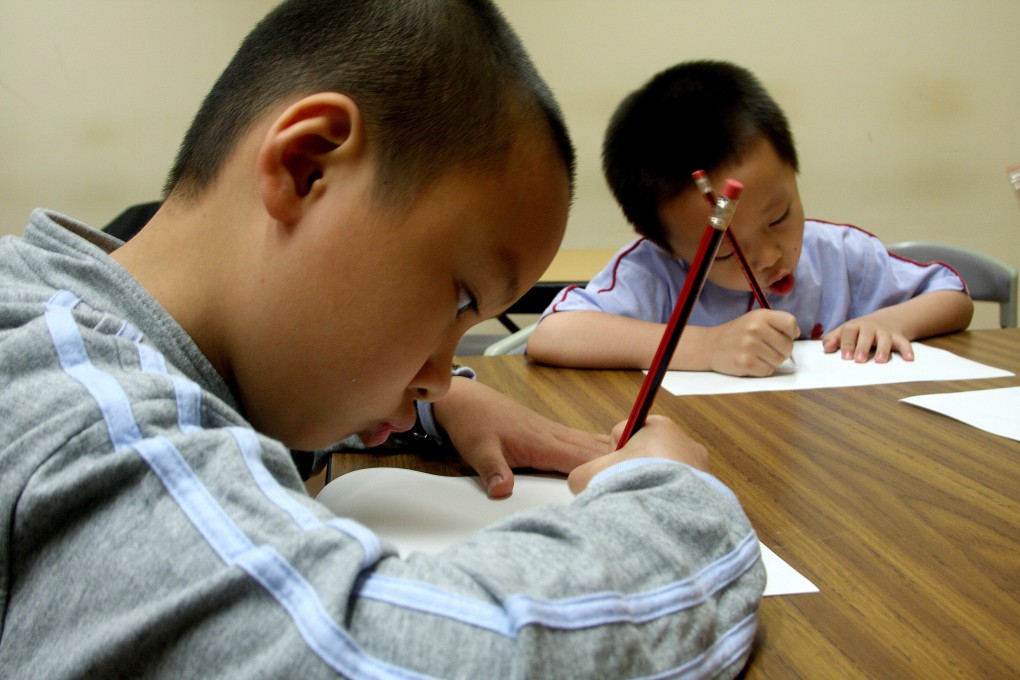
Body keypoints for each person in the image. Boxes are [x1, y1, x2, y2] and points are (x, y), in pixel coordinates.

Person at [0, 3, 765, 677]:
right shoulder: (82, 416)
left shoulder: (85, 328)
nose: (440, 373)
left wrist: (436, 406)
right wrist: (677, 507)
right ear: (306, 168)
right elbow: (368, 654)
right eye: (460, 297)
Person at [527, 60, 974, 377]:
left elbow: (952, 295)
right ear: (663, 242)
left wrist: (892, 322)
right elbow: (552, 336)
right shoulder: (653, 272)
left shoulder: (838, 255)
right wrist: (708, 347)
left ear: (793, 170)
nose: (769, 256)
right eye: (723, 253)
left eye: (779, 217)